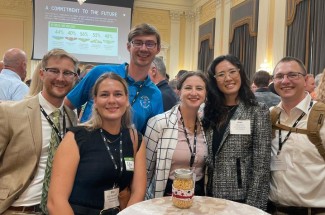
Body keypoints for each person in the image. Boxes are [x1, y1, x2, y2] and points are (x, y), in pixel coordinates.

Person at [47, 73, 146, 215]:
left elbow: (138, 192)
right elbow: (56, 201)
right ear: (95, 101)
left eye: (118, 94)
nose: (111, 100)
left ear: (127, 100)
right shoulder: (76, 138)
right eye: (104, 95)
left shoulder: (135, 139)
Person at [0, 48, 78, 214]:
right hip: (17, 209)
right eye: (54, 71)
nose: (60, 78)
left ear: (75, 78)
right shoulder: (10, 112)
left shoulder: (72, 118)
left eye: (67, 73)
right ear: (42, 74)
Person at [64, 23, 163, 134]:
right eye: (138, 43)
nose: (143, 48)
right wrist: (70, 136)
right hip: (83, 147)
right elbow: (67, 106)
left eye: (150, 44)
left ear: (158, 49)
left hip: (126, 150)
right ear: (128, 46)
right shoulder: (100, 73)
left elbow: (149, 137)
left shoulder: (155, 95)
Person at [202, 54, 271, 211]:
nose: (228, 78)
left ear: (240, 73)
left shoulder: (257, 111)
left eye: (232, 71)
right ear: (214, 80)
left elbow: (262, 164)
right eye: (221, 74)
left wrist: (253, 208)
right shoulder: (208, 111)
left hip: (241, 197)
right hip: (209, 194)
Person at [268, 57, 325, 215]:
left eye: (292, 75)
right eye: (279, 76)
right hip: (276, 210)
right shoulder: (270, 115)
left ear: (306, 80)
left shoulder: (322, 117)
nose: (285, 81)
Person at [145, 71, 208, 199]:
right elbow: (146, 171)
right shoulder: (159, 123)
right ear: (178, 92)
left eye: (199, 88)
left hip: (200, 195)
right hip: (167, 194)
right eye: (188, 88)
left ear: (205, 93)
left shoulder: (208, 125)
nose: (194, 93)